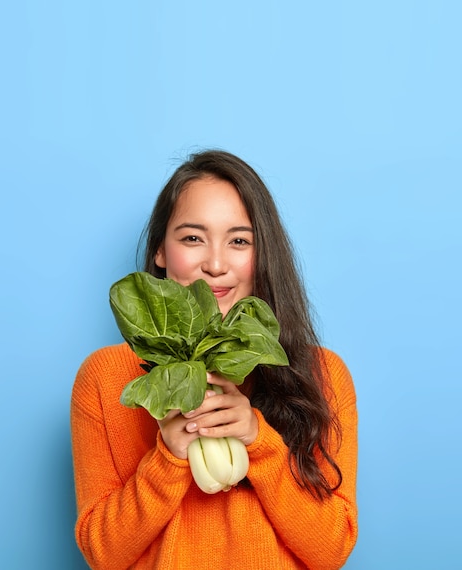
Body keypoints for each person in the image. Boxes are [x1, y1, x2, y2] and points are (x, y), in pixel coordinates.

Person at [71, 150, 358, 569]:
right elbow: (103, 554)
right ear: (160, 251)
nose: (216, 264)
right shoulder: (104, 377)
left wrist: (259, 441)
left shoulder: (324, 374)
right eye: (192, 238)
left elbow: (332, 549)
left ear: (263, 256)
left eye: (239, 241)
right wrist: (168, 458)